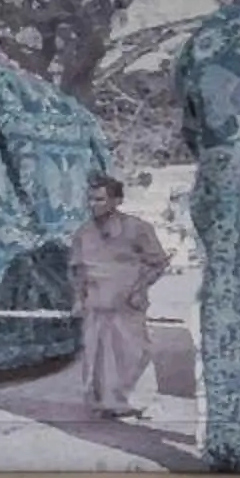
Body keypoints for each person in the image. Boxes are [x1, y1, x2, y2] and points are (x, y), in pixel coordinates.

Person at [71, 175, 171, 418]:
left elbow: (158, 263)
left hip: (127, 303)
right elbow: (77, 270)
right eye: (90, 199)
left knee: (134, 353)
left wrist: (139, 290)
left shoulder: (139, 229)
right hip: (96, 304)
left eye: (100, 199)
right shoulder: (83, 233)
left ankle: (142, 403)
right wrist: (78, 299)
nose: (93, 204)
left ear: (117, 200)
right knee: (98, 356)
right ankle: (106, 404)